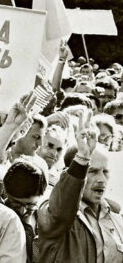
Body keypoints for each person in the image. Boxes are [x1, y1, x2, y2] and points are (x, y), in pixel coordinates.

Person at [38, 110, 123, 263]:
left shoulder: (117, 219)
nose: (101, 179)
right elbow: (62, 210)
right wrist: (83, 158)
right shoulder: (54, 211)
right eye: (93, 171)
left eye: (105, 172)